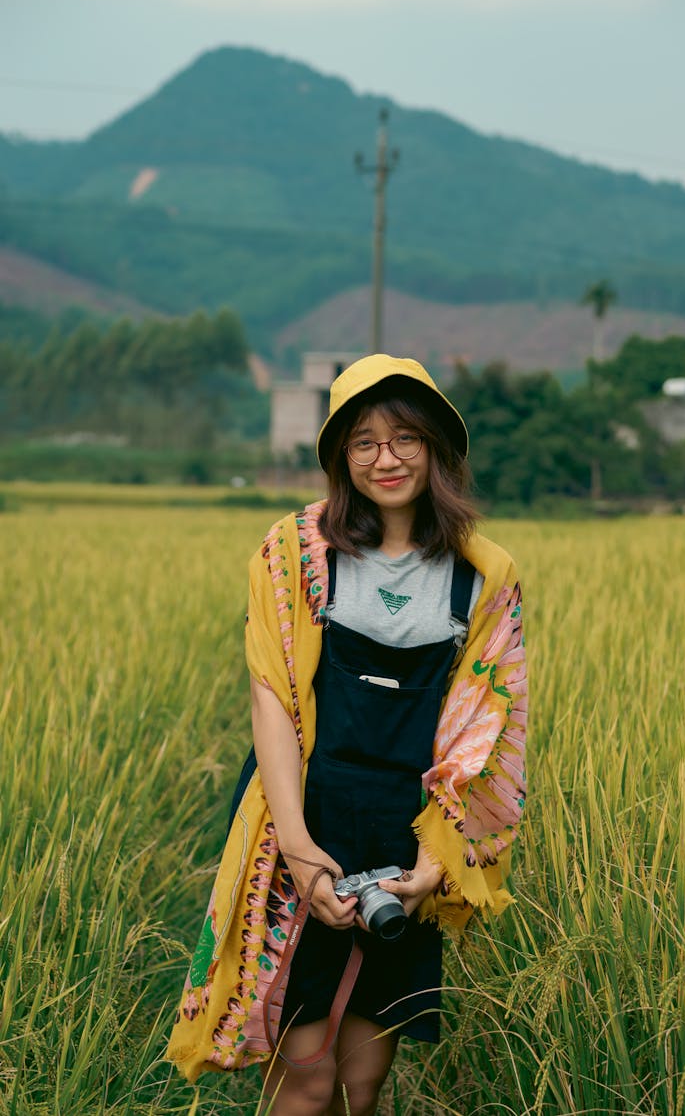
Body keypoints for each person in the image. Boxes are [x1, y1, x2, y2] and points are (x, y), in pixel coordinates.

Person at [166, 355, 528, 1116]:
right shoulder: (296, 554)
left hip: (408, 831)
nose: (385, 458)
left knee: (362, 1082)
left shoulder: (484, 574)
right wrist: (299, 853)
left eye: (404, 438)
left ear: (435, 447)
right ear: (340, 456)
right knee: (306, 1077)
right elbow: (271, 697)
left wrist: (436, 860)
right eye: (363, 441)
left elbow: (486, 730)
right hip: (304, 813)